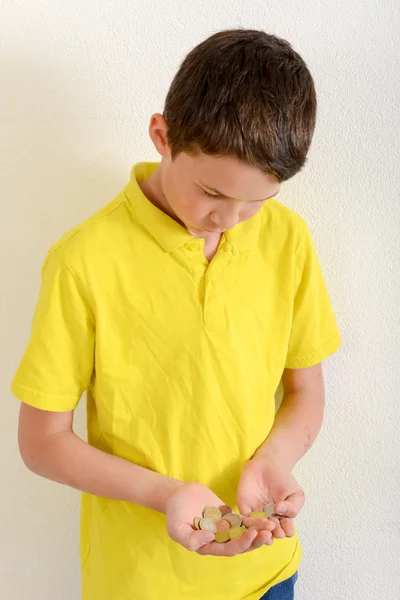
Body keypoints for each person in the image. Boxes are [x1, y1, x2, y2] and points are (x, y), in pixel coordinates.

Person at [12, 28, 341, 600]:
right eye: (212, 192)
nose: (229, 219)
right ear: (163, 136)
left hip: (266, 573)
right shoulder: (84, 261)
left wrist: (274, 461)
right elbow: (42, 442)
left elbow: (305, 389)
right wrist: (165, 494)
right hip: (141, 581)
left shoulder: (288, 239)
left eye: (257, 202)